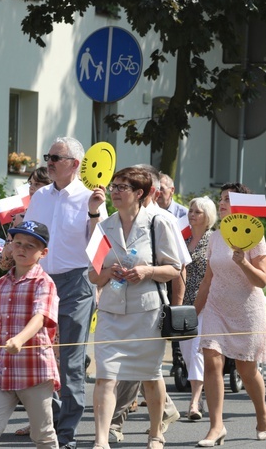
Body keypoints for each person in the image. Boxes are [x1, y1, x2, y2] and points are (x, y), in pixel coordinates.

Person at [88, 168, 182, 449]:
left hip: (147, 313)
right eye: (114, 186)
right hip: (110, 312)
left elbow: (174, 268)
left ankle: (155, 433)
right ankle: (101, 440)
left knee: (151, 377)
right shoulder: (103, 227)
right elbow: (93, 275)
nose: (115, 191)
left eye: (122, 187)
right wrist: (108, 273)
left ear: (139, 193)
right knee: (105, 377)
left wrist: (147, 270)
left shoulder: (159, 222)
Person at [23, 137, 107, 449]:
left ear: (74, 164)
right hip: (41, 280)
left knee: (71, 361)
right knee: (41, 357)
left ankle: (66, 433)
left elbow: (100, 247)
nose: (49, 161)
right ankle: (50, 422)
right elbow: (28, 236)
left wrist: (94, 213)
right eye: (48, 156)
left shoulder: (91, 198)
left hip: (76, 282)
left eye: (56, 157)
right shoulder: (41, 196)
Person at [194, 183, 266, 445]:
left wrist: (244, 262)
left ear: (241, 205)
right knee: (212, 360)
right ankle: (216, 427)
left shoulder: (254, 236)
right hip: (216, 305)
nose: (222, 203)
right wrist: (194, 311)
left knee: (246, 369)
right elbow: (207, 280)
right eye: (221, 198)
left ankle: (262, 413)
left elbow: (261, 280)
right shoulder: (215, 236)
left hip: (246, 309)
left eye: (227, 199)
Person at [0, 221, 60, 449]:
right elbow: (0, 327)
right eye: (17, 243)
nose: (22, 249)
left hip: (34, 371)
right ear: (10, 246)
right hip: (3, 369)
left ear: (43, 253)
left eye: (30, 246)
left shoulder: (45, 282)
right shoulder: (3, 282)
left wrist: (20, 339)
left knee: (42, 434)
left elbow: (41, 316)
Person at [180, 196, 217, 420]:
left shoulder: (214, 239)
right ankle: (199, 392)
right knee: (186, 352)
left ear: (208, 217)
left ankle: (194, 401)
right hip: (182, 302)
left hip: (207, 301)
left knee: (196, 349)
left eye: (198, 212)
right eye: (191, 210)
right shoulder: (182, 239)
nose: (192, 214)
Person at [0, 166, 53, 273]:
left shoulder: (58, 214)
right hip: (26, 279)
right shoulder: (19, 218)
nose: (31, 188)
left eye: (37, 184)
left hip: (56, 276)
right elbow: (3, 265)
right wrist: (7, 253)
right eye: (30, 184)